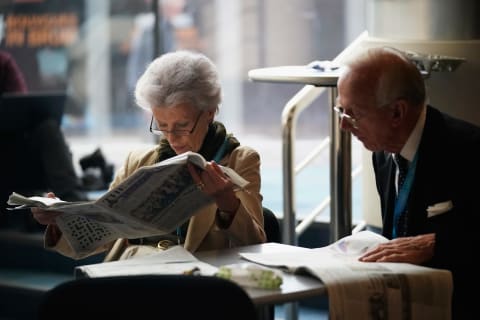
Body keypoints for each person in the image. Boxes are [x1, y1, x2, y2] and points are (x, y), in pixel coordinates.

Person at [32, 50, 266, 260]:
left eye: (182, 126)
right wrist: (61, 221)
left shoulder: (239, 160)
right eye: (162, 126)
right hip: (131, 270)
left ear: (210, 114)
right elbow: (103, 234)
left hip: (192, 282)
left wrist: (228, 205)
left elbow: (256, 245)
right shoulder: (138, 161)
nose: (172, 138)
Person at [335, 46, 478, 319]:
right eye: (340, 110)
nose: (344, 125)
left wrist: (437, 244)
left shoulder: (468, 151)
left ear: (397, 113)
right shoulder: (382, 155)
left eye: (353, 114)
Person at [0, 50, 87, 230]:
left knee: (48, 128)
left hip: (10, 140)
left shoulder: (3, 62)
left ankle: (75, 203)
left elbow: (20, 107)